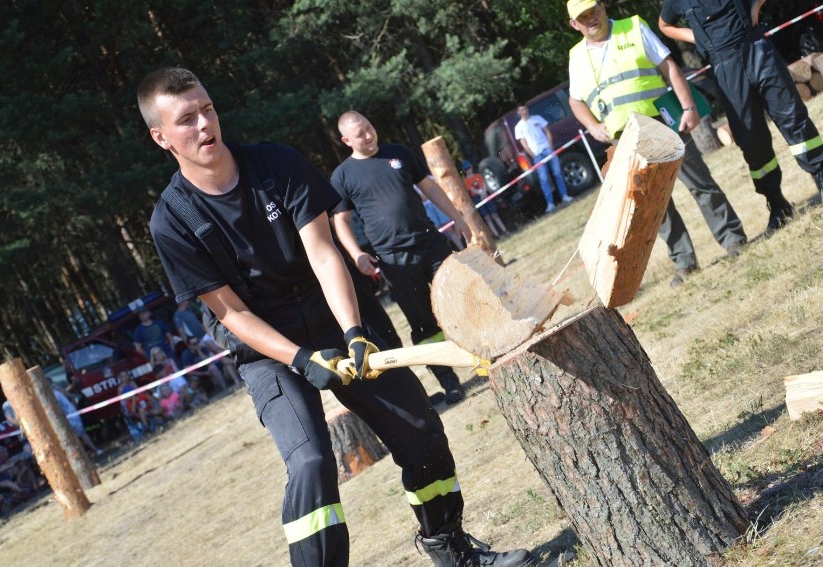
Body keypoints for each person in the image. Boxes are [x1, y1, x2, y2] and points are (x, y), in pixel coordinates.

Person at [139, 67, 536, 567]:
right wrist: (301, 358)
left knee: (421, 429)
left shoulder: (277, 164)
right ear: (160, 137)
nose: (204, 125)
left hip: (332, 313)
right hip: (267, 349)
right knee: (310, 463)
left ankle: (451, 548)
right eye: (186, 119)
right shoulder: (171, 220)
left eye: (208, 109)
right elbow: (230, 311)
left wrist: (353, 333)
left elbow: (325, 254)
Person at [566, 0, 748, 287]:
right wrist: (592, 126)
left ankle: (732, 238)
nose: (591, 19)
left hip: (660, 123)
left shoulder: (633, 27)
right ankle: (684, 262)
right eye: (583, 17)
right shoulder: (576, 56)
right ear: (574, 25)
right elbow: (575, 100)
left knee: (700, 183)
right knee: (652, 204)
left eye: (594, 11)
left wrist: (688, 108)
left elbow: (669, 67)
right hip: (623, 139)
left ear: (603, 7)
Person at [331, 111, 472, 405]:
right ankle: (450, 382)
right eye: (360, 134)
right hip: (395, 260)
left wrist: (457, 217)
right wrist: (357, 254)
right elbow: (340, 221)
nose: (368, 136)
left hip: (431, 243)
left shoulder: (398, 153)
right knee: (424, 324)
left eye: (369, 127)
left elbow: (430, 187)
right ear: (346, 140)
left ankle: (488, 356)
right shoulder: (343, 176)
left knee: (464, 298)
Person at [659, 0, 823, 229]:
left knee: (792, 117)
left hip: (757, 49)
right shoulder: (676, 2)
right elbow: (665, 25)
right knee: (751, 139)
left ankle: (820, 176)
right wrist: (696, 36)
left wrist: (755, 7)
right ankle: (777, 203)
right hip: (725, 67)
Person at [514, 105, 574, 214]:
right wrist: (533, 155)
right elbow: (524, 143)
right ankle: (550, 203)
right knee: (544, 179)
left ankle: (565, 195)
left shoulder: (537, 118)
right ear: (518, 112)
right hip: (536, 154)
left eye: (525, 109)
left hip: (547, 148)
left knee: (557, 173)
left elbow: (547, 131)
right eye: (522, 110)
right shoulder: (518, 127)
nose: (524, 111)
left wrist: (550, 145)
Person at [461, 161, 508, 237]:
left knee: (494, 214)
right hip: (477, 198)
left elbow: (483, 184)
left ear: (471, 167)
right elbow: (471, 189)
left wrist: (484, 192)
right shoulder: (466, 181)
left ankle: (505, 231)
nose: (468, 170)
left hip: (484, 194)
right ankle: (497, 235)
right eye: (466, 169)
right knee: (487, 217)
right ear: (464, 170)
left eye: (469, 168)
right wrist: (480, 193)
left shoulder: (478, 175)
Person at [53, 387, 103, 456]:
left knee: (76, 436)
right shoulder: (58, 391)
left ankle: (88, 452)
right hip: (72, 413)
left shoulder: (54, 395)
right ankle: (93, 450)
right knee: (81, 434)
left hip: (69, 416)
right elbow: (70, 396)